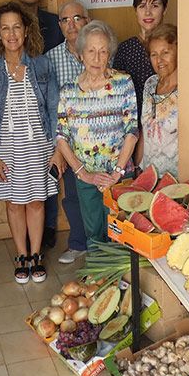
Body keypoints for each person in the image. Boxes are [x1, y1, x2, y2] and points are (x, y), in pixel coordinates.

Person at [0, 2, 58, 284]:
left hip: (39, 144)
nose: (11, 34)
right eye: (5, 28)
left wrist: (57, 149)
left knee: (36, 202)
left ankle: (36, 254)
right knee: (13, 203)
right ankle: (21, 254)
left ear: (26, 30)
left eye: (16, 27)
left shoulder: (42, 63)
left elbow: (53, 107)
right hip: (5, 148)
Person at [56, 21, 138, 249]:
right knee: (93, 234)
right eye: (91, 51)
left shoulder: (123, 83)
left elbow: (132, 131)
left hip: (119, 175)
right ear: (81, 54)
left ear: (109, 54)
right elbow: (61, 137)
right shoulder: (68, 91)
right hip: (86, 176)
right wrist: (83, 173)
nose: (97, 57)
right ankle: (97, 281)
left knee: (120, 232)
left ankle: (121, 283)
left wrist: (117, 172)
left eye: (103, 51)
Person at [12, 0, 63, 251]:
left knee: (48, 168)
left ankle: (50, 226)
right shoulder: (7, 21)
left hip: (47, 105)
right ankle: (27, 235)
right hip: (18, 111)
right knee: (22, 171)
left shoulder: (55, 23)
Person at [46, 0, 90, 265]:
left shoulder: (101, 50)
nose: (71, 24)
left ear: (87, 20)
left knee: (102, 196)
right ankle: (78, 243)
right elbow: (50, 109)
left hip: (102, 140)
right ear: (59, 25)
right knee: (72, 196)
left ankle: (104, 244)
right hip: (69, 143)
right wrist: (58, 149)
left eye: (77, 18)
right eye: (65, 20)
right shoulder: (50, 60)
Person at [112, 0, 169, 119]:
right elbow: (117, 90)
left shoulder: (173, 45)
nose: (148, 12)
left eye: (155, 5)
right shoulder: (126, 48)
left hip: (166, 123)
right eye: (142, 6)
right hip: (133, 123)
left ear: (164, 9)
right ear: (135, 10)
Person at [137, 23, 179, 177]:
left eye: (165, 52)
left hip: (175, 179)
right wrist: (138, 168)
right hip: (148, 173)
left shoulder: (187, 90)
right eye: (154, 54)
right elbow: (145, 129)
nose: (159, 60)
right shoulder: (150, 83)